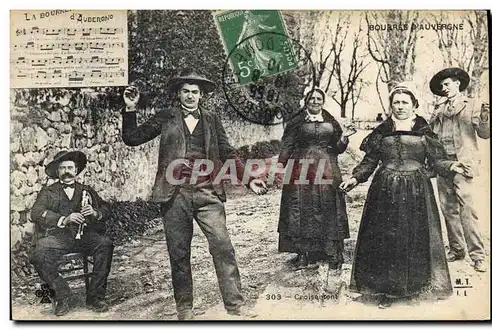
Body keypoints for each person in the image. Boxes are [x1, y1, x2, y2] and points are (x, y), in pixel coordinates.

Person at [121, 68, 267, 320]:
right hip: (174, 195)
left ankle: (235, 305)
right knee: (178, 253)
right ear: (179, 94)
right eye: (186, 91)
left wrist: (249, 179)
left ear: (202, 95)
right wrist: (130, 109)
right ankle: (184, 309)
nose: (190, 96)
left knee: (222, 246)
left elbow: (228, 153)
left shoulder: (211, 119)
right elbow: (132, 138)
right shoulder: (166, 117)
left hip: (207, 192)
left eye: (195, 92)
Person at [340, 83, 469, 308]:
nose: (400, 106)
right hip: (385, 190)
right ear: (391, 106)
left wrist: (452, 166)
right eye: (396, 102)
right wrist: (355, 178)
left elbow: (437, 160)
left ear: (414, 105)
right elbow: (370, 161)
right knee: (386, 237)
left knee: (415, 236)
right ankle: (386, 290)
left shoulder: (424, 130)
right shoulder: (381, 131)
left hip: (417, 190)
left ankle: (414, 286)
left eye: (404, 102)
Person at [277, 88, 356, 272]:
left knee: (329, 206)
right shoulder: (296, 121)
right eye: (311, 98)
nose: (315, 101)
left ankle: (331, 252)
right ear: (306, 101)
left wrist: (344, 138)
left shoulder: (330, 120)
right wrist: (281, 165)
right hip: (301, 168)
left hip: (327, 167)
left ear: (323, 101)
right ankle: (303, 254)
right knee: (301, 208)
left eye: (318, 98)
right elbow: (287, 144)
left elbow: (337, 148)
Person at [29, 150, 114, 316]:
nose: (67, 171)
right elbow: (36, 212)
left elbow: (106, 208)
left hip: (85, 236)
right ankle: (62, 294)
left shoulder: (86, 190)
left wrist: (95, 213)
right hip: (59, 238)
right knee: (38, 253)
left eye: (70, 167)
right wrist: (63, 219)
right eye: (62, 168)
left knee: (105, 244)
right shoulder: (48, 192)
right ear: (57, 172)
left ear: (76, 171)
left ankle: (95, 297)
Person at [428, 67, 489, 272]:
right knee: (448, 209)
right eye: (441, 86)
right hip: (443, 164)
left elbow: (484, 134)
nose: (444, 89)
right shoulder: (439, 108)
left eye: (447, 84)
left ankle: (478, 255)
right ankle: (457, 249)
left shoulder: (472, 105)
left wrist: (485, 117)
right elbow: (431, 135)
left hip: (464, 164)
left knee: (468, 209)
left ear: (457, 84)